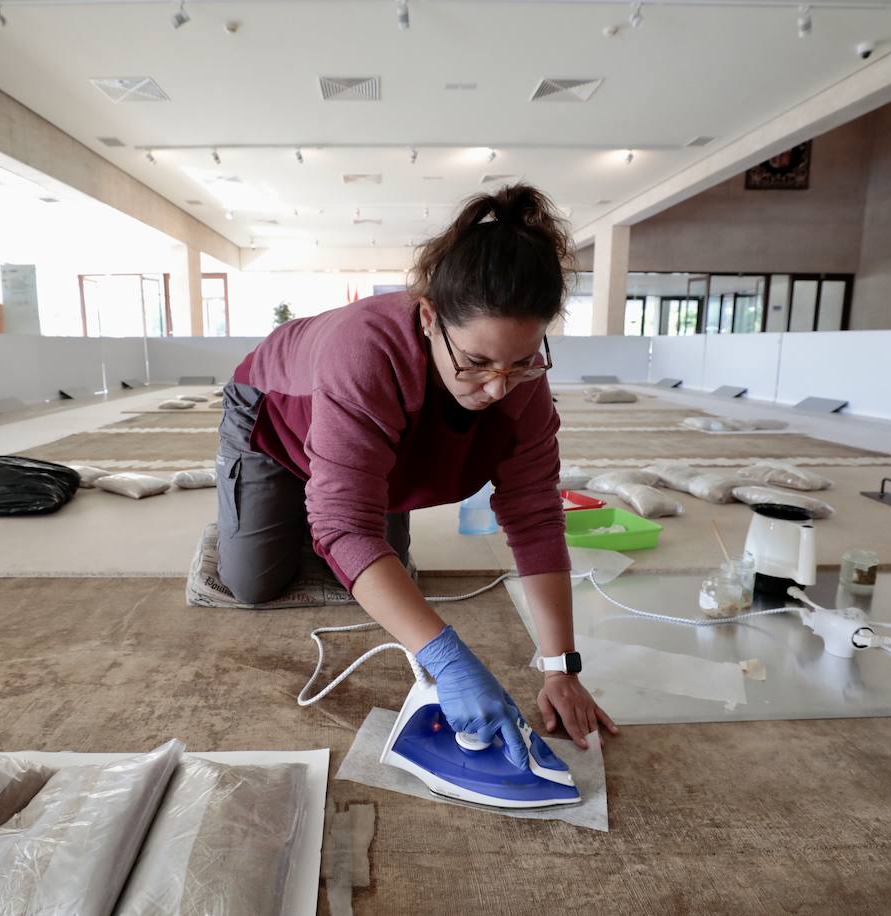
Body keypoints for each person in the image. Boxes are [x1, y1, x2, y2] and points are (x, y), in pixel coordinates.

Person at [215, 183, 617, 766]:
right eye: (477, 363)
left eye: (523, 361)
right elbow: (346, 530)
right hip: (274, 419)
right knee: (257, 580)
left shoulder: (520, 383)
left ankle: (339, 487)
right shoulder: (365, 353)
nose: (499, 387)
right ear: (430, 317)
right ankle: (258, 512)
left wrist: (560, 666)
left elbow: (533, 513)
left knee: (382, 568)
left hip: (387, 446)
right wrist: (447, 657)